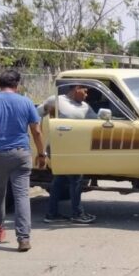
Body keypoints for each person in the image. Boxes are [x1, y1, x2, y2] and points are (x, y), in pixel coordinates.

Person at [0, 69, 48, 252]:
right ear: (17, 84)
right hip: (21, 154)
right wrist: (41, 153)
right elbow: (36, 131)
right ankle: (23, 238)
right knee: (22, 195)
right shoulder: (26, 102)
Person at [41, 83, 98, 224]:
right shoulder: (56, 100)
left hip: (74, 149)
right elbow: (37, 114)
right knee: (76, 179)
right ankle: (77, 213)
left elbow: (97, 122)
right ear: (76, 88)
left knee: (59, 180)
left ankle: (51, 214)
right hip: (58, 148)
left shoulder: (85, 107)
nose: (87, 94)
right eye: (85, 90)